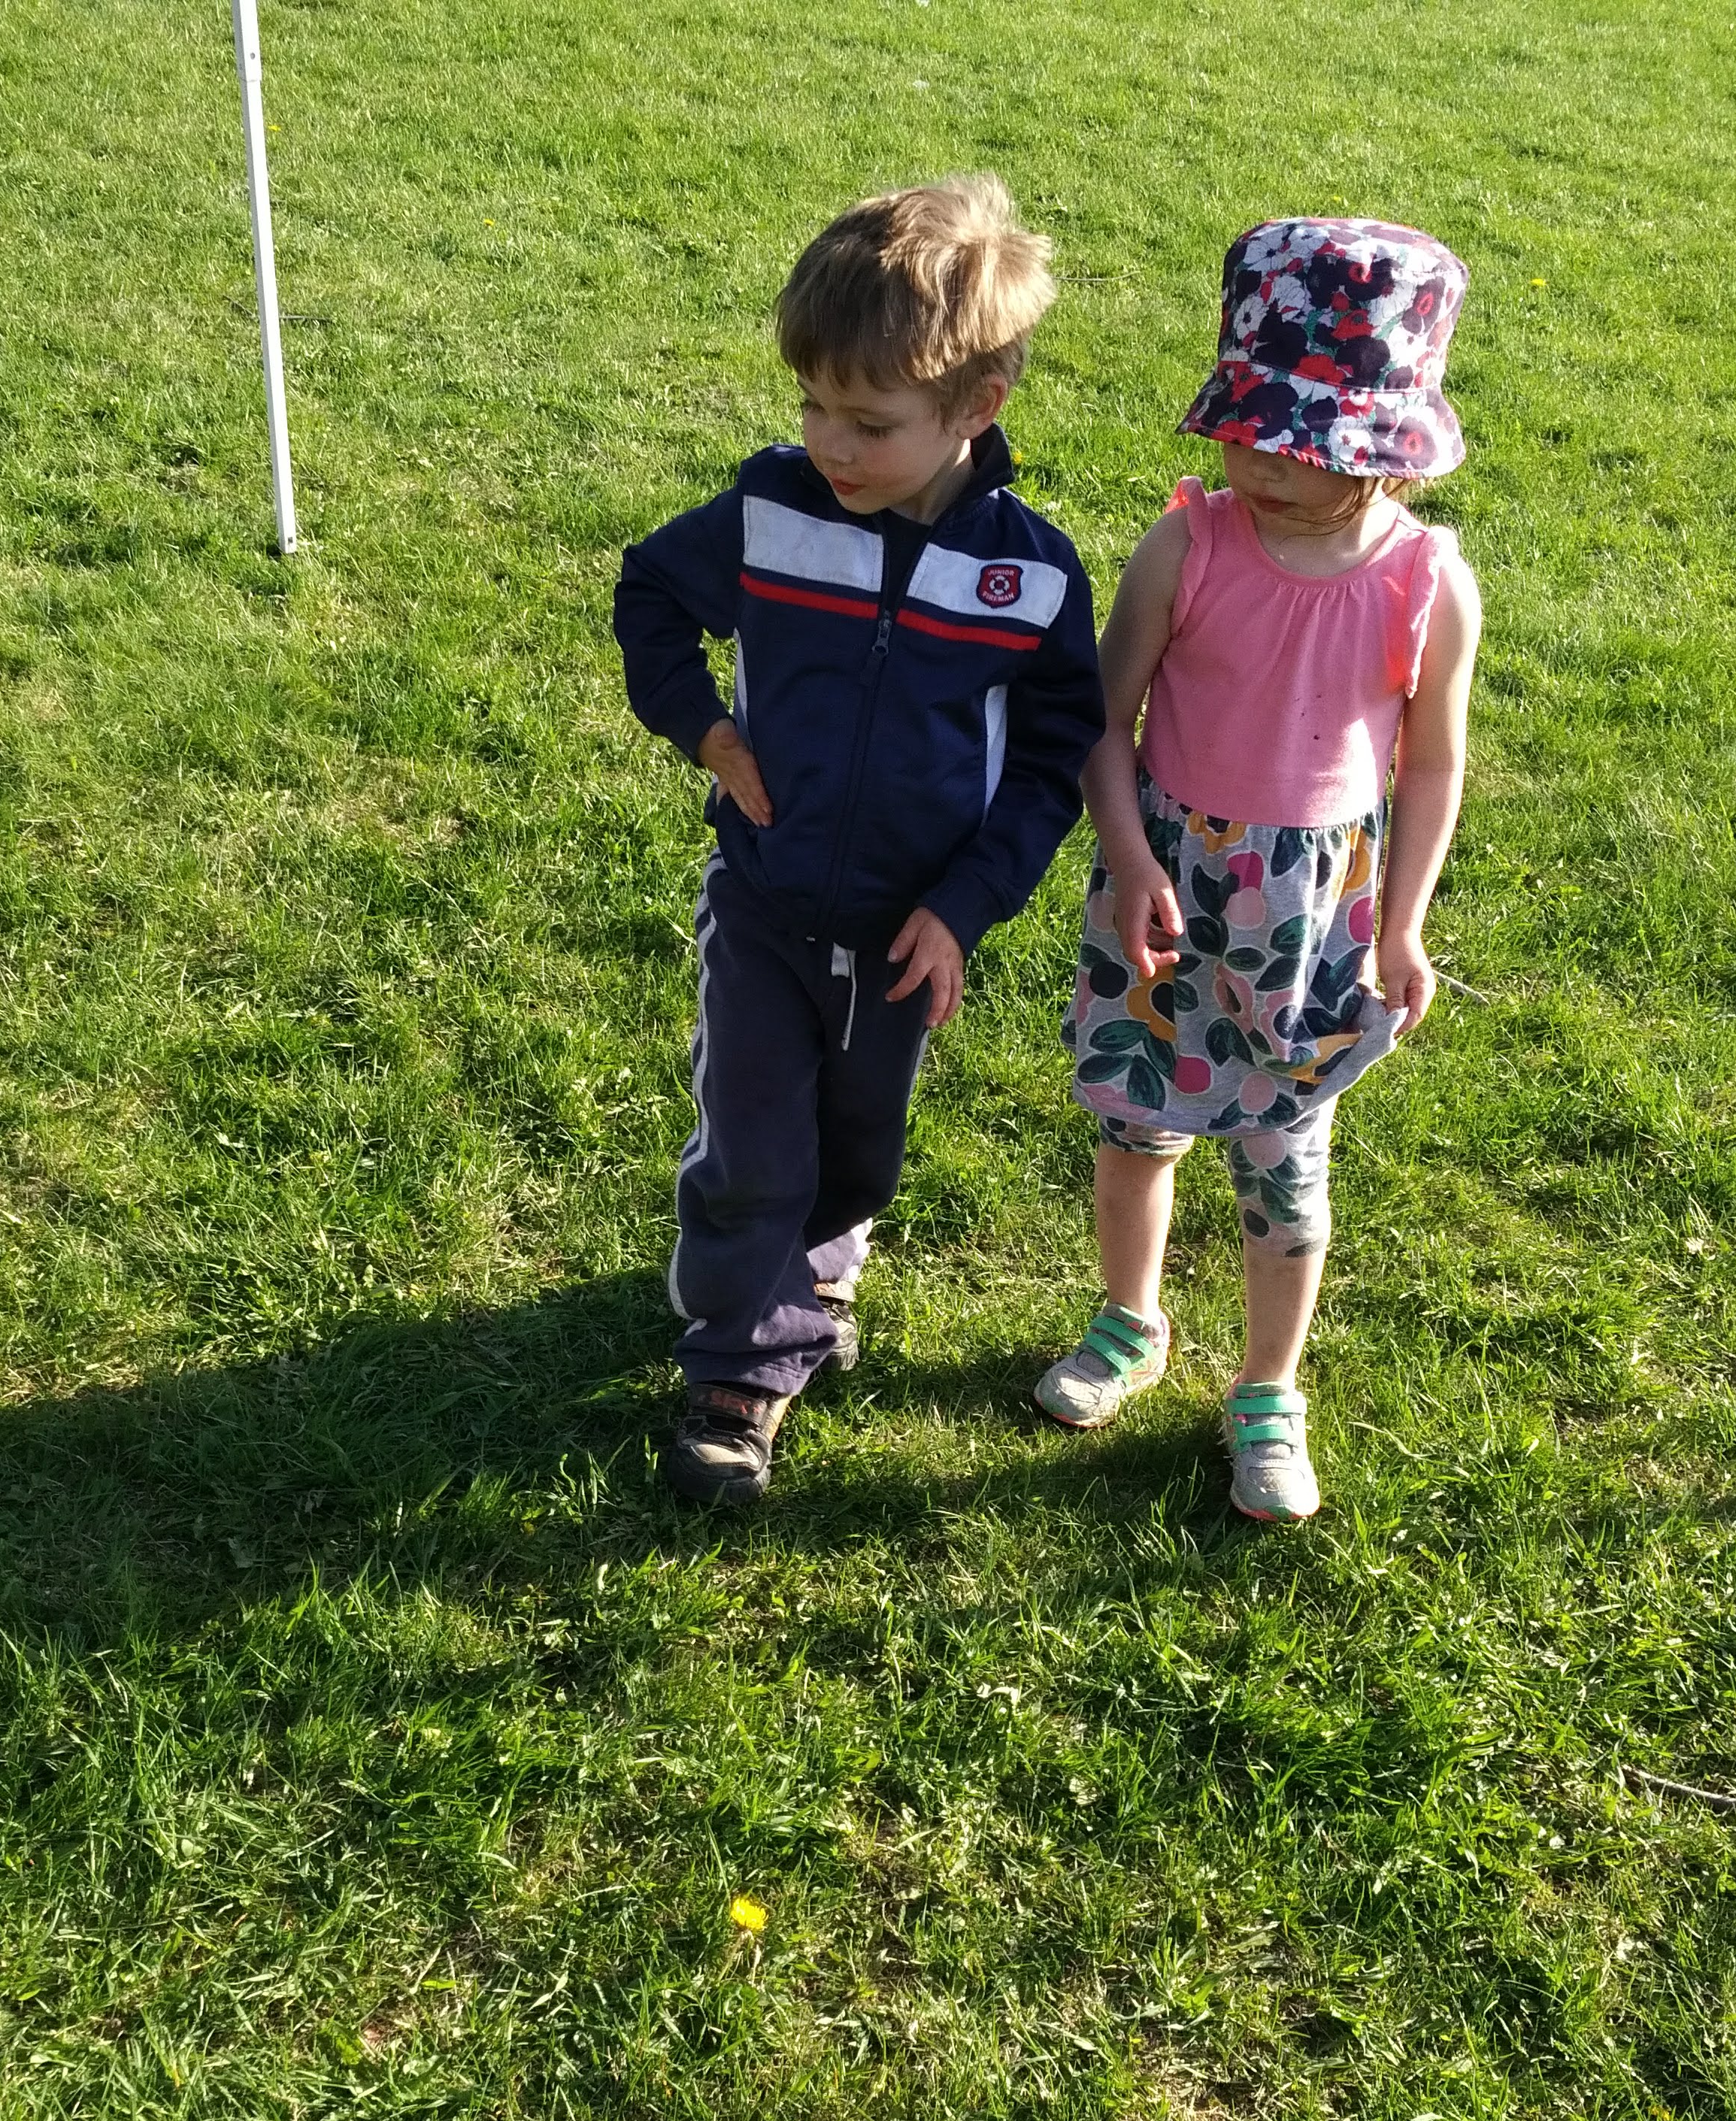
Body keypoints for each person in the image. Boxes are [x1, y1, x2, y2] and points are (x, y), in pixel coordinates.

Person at [614, 177, 1102, 1506]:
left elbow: (1053, 759)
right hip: (767, 899)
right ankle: (739, 1371)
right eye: (813, 405)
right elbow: (651, 592)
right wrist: (707, 730)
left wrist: (966, 904)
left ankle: (817, 1255)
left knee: (856, 1150)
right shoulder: (771, 513)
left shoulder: (1030, 579)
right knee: (752, 1143)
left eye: (870, 423)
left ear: (977, 405)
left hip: (905, 930)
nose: (829, 443)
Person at [1038, 217, 1483, 1522]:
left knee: (1286, 1167)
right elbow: (1101, 722)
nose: (1268, 466)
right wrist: (1128, 859)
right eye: (1251, 433)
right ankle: (1131, 1318)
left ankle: (1268, 1388)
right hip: (1169, 896)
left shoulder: (1427, 583)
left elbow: (1433, 767)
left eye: (1311, 445)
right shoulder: (1187, 546)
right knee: (1140, 1128)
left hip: (1310, 922)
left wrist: (1403, 927)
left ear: (1384, 447)